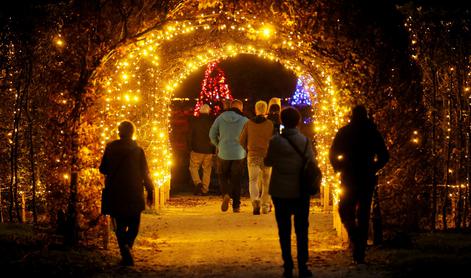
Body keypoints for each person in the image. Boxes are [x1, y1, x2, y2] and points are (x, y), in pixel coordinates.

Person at [329, 105, 389, 264]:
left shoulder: (345, 132)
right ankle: (360, 249)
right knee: (363, 214)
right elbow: (384, 155)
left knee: (345, 209)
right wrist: (374, 167)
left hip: (349, 176)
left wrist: (339, 167)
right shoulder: (372, 132)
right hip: (367, 176)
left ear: (352, 116)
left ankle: (355, 238)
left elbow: (333, 153)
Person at [264, 107, 316, 278]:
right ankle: (303, 265)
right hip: (301, 190)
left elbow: (269, 161)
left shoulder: (275, 141)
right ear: (298, 121)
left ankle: (288, 265)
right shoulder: (306, 142)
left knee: (284, 230)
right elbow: (311, 163)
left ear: (282, 121)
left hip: (280, 191)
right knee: (302, 229)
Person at [99, 120, 154, 266]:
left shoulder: (110, 147)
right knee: (134, 223)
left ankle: (124, 249)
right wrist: (150, 190)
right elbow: (145, 172)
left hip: (115, 191)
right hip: (134, 191)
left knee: (120, 224)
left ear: (119, 132)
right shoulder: (138, 150)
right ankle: (128, 244)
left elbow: (102, 169)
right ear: (133, 133)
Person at [209, 99, 248, 213]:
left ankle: (226, 194)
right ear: (240, 108)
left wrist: (218, 144)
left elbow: (212, 134)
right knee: (237, 180)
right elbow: (248, 136)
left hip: (224, 152)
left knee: (222, 176)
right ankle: (236, 206)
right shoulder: (245, 120)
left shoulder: (221, 118)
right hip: (239, 153)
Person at [240, 100, 274, 215]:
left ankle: (255, 201)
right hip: (267, 155)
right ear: (266, 110)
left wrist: (248, 149)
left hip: (253, 155)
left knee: (253, 180)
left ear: (255, 110)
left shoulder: (249, 124)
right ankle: (265, 206)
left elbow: (241, 140)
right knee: (266, 182)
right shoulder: (270, 124)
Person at [187, 104, 215, 195]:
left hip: (196, 149)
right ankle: (205, 189)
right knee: (207, 170)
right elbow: (215, 136)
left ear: (200, 111)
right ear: (208, 111)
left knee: (193, 167)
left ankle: (197, 182)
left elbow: (189, 135)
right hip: (209, 150)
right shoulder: (212, 122)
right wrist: (214, 148)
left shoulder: (194, 122)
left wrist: (189, 147)